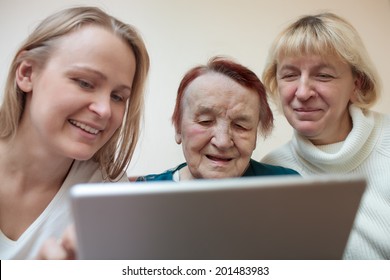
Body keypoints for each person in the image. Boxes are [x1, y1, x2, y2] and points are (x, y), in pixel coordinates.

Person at [0, 6, 149, 259]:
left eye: (118, 96)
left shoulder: (108, 193)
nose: (104, 110)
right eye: (84, 83)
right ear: (27, 73)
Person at [261, 12, 390, 259]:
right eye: (289, 75)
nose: (303, 91)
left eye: (323, 75)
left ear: (357, 84)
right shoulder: (272, 172)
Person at [138, 56, 298, 182]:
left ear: (255, 135)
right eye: (205, 121)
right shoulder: (144, 196)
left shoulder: (288, 188)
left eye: (240, 126)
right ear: (178, 128)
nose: (222, 142)